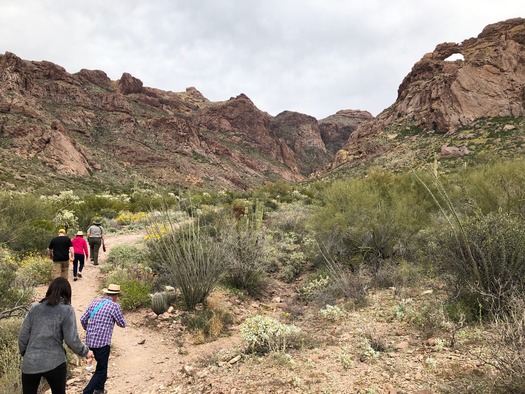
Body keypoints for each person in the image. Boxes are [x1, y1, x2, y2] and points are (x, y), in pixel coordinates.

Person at [18, 277, 94, 394]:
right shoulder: (67, 310)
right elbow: (71, 339)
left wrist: (26, 353)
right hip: (55, 362)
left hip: (31, 362)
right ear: (67, 293)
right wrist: (85, 352)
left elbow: (23, 335)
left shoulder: (35, 308)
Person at [81, 284, 126, 394]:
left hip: (89, 342)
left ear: (107, 293)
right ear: (116, 296)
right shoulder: (114, 306)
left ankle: (100, 389)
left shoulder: (95, 302)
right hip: (102, 343)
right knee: (101, 369)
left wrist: (89, 330)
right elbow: (122, 324)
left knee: (101, 367)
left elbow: (83, 319)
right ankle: (87, 391)